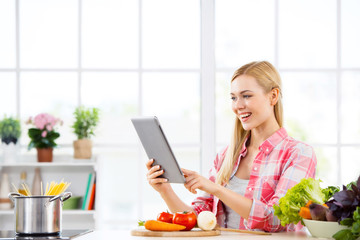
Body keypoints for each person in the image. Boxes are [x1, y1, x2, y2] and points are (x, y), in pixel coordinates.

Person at [145, 61, 317, 232]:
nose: (238, 106)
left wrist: (216, 189)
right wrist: (165, 190)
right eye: (234, 97)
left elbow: (275, 219)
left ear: (273, 96)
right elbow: (198, 220)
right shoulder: (226, 156)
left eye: (247, 96)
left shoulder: (299, 154)